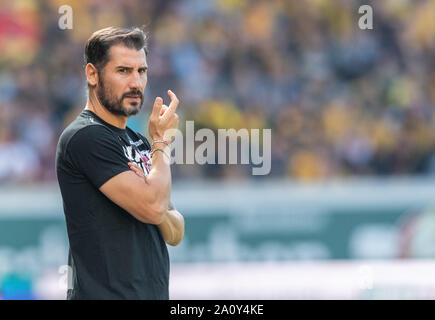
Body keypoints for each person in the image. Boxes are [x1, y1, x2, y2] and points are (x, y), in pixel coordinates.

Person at [55, 26, 184, 300]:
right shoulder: (85, 136)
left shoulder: (139, 142)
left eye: (142, 71)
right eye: (123, 71)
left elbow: (176, 231)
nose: (136, 82)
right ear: (92, 74)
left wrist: (154, 201)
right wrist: (161, 143)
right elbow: (154, 207)